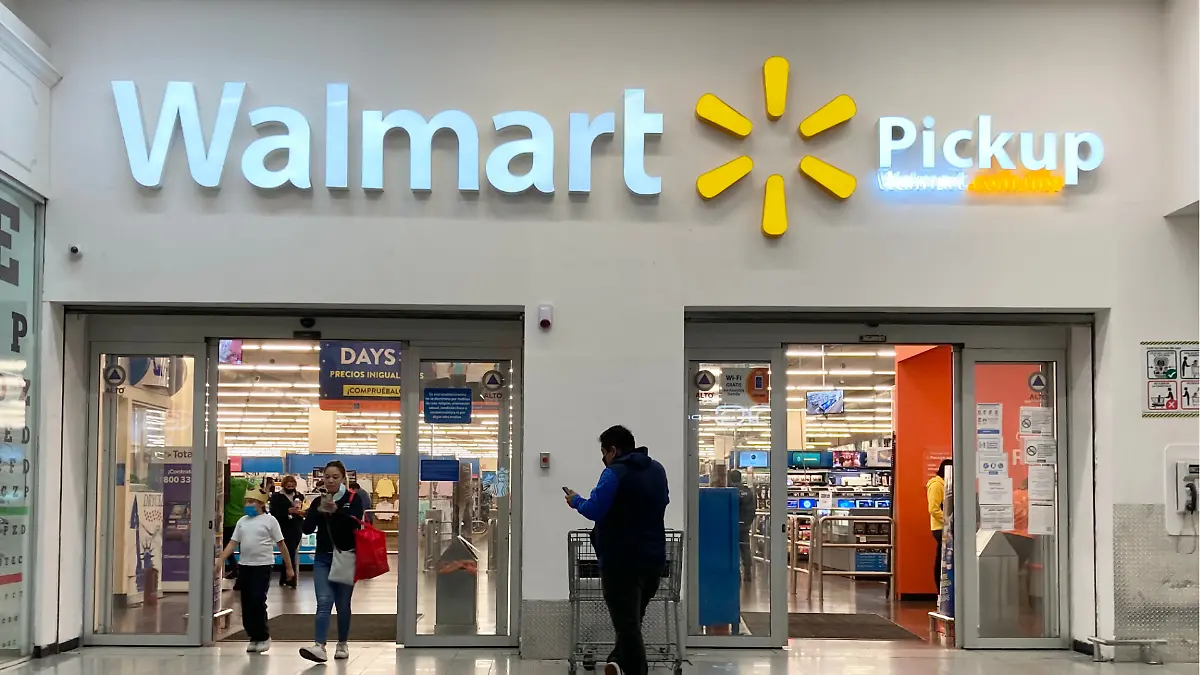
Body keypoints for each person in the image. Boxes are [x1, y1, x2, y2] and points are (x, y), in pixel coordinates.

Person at [565, 425, 669, 675]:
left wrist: (576, 501)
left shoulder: (614, 473)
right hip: (653, 559)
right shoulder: (658, 470)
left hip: (621, 561)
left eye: (604, 453)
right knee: (632, 621)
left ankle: (634, 669)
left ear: (613, 450)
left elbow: (594, 509)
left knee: (627, 626)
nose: (604, 459)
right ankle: (617, 661)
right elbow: (663, 501)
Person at [299, 461, 364, 663]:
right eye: (327, 477)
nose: (330, 480)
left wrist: (336, 511)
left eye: (335, 477)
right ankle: (319, 646)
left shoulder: (353, 499)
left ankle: (342, 643)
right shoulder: (318, 501)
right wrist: (316, 511)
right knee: (324, 600)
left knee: (343, 604)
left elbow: (355, 525)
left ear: (343, 478)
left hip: (346, 556)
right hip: (323, 557)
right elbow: (307, 529)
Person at [217, 487, 294, 654]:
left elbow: (281, 544)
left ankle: (263, 636)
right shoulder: (242, 522)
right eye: (246, 502)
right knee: (246, 602)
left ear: (261, 504)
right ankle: (253, 636)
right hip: (245, 566)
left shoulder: (270, 521)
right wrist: (221, 559)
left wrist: (289, 567)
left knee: (257, 600)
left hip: (263, 566)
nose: (248, 505)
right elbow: (233, 543)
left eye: (251, 502)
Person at [269, 475, 305, 588]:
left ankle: (285, 577)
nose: (290, 487)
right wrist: (288, 511)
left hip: (296, 527)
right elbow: (273, 511)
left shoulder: (300, 496)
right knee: (289, 551)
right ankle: (291, 579)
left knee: (290, 551)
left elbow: (304, 508)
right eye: (288, 485)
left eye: (292, 485)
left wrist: (301, 512)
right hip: (283, 527)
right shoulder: (276, 497)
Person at [927, 459, 951, 589]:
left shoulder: (946, 485)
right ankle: (940, 590)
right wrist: (948, 520)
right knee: (941, 560)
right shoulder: (936, 485)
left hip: (946, 527)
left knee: (945, 559)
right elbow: (933, 509)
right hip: (940, 528)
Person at [223, 473, 252, 582]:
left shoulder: (223, 484)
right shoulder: (244, 482)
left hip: (228, 520)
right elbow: (256, 490)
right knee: (243, 548)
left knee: (226, 547)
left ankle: (234, 568)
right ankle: (243, 572)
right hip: (243, 519)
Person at [729, 469, 756, 582]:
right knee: (745, 548)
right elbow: (753, 508)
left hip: (732, 525)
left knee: (732, 548)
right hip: (744, 525)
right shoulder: (748, 491)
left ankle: (736, 573)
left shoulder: (730, 491)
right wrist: (747, 523)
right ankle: (747, 573)